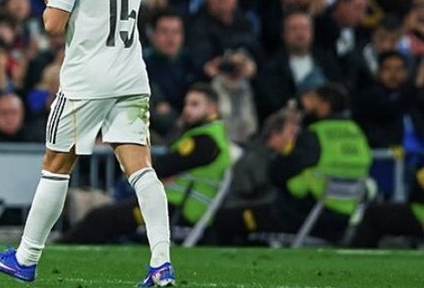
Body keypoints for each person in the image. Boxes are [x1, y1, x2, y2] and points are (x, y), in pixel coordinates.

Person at [0, 0, 175, 287]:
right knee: (141, 170)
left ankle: (26, 258)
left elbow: (54, 25)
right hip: (130, 75)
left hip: (87, 78)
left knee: (56, 166)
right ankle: (161, 263)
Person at [65, 84, 232, 244]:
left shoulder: (204, 139)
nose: (187, 110)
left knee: (102, 217)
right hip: (173, 205)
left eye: (195, 105)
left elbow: (162, 166)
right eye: (186, 104)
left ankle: (62, 246)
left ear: (212, 108)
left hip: (178, 209)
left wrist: (163, 172)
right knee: (106, 216)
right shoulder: (209, 134)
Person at [215, 84, 372, 244]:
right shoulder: (356, 132)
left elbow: (280, 172)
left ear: (325, 104)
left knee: (225, 219)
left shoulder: (317, 133)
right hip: (345, 216)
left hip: (306, 215)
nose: (306, 104)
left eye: (312, 99)